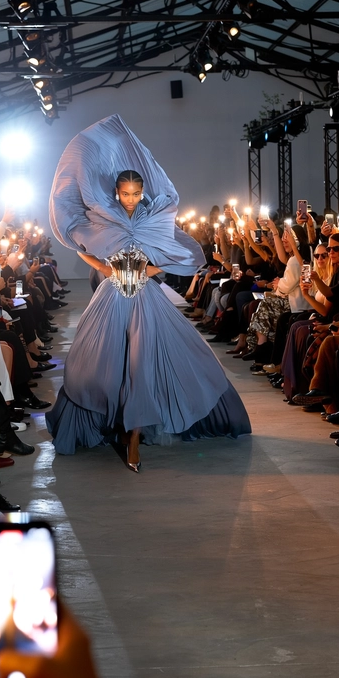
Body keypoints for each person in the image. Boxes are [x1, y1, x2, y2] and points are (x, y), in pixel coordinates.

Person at [45, 115, 251, 472]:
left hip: (143, 297)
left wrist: (146, 270)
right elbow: (80, 243)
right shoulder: (103, 217)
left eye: (135, 194)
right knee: (104, 367)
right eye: (125, 194)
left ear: (142, 192)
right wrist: (105, 268)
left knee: (142, 366)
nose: (130, 200)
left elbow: (179, 254)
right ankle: (120, 431)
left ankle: (135, 437)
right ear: (115, 193)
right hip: (111, 296)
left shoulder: (153, 216)